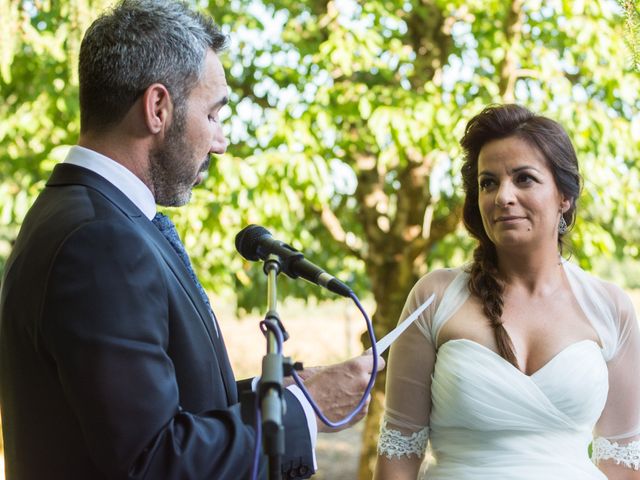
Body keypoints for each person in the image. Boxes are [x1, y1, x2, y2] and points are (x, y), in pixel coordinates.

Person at [0, 1, 383, 479]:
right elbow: (154, 459)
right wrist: (305, 408)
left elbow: (147, 412)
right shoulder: (100, 241)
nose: (220, 141)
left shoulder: (82, 213)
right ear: (158, 108)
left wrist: (279, 395)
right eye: (214, 114)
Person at [373, 104, 640, 479]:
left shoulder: (610, 308)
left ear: (564, 196)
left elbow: (623, 463)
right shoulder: (433, 298)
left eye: (524, 179)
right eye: (488, 182)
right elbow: (398, 454)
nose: (502, 196)